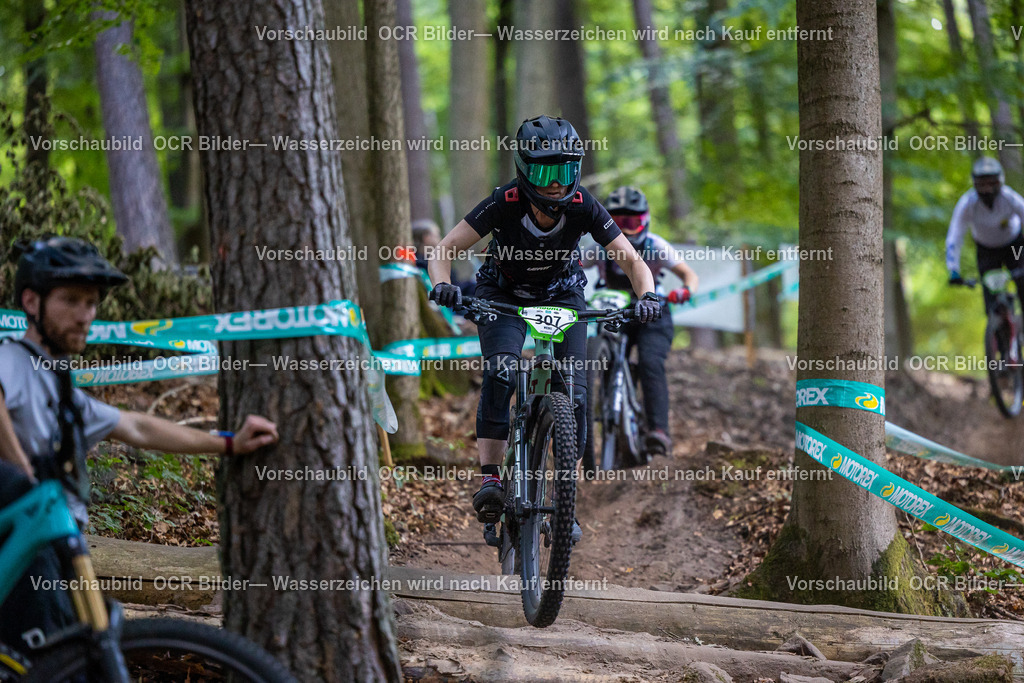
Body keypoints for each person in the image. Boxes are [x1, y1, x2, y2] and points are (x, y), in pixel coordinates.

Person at [0, 236, 279, 650]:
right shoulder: (12, 359)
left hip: (58, 548)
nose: (85, 316)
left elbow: (136, 427)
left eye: (92, 303)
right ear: (30, 301)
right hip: (24, 549)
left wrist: (227, 444)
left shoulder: (56, 382)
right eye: (71, 300)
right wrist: (22, 469)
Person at [426, 115, 661, 541]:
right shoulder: (505, 201)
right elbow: (443, 249)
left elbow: (631, 259)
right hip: (503, 294)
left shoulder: (583, 205)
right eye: (545, 171)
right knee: (501, 370)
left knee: (574, 392)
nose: (556, 183)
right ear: (524, 168)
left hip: (562, 295)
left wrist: (646, 296)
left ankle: (564, 502)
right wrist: (442, 284)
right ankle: (492, 479)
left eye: (566, 170)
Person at [584, 186, 699, 459]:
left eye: (631, 222)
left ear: (644, 220)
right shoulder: (600, 247)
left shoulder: (656, 246)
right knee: (603, 354)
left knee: (650, 362)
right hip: (614, 310)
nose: (625, 228)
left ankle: (658, 430)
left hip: (653, 313)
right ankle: (605, 393)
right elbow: (572, 263)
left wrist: (686, 290)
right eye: (618, 221)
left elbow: (688, 274)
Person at [946, 157, 1024, 313]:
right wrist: (953, 269)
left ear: (999, 181)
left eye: (991, 183)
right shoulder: (967, 204)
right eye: (982, 184)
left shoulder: (1010, 198)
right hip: (987, 252)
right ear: (975, 184)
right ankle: (997, 330)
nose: (987, 189)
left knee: (1022, 281)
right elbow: (955, 235)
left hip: (1014, 247)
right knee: (991, 304)